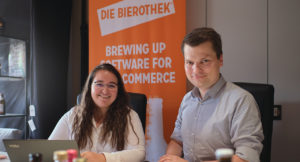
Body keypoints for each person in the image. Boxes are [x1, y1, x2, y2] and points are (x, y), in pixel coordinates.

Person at [159, 27, 264, 162]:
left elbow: (246, 158)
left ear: (220, 60)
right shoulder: (187, 100)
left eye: (204, 61)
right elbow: (177, 141)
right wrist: (170, 158)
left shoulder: (241, 101)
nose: (196, 70)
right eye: (190, 62)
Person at [49, 63, 145, 162]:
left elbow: (139, 153)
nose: (105, 91)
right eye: (99, 84)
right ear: (90, 86)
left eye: (111, 86)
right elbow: (50, 149)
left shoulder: (129, 115)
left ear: (118, 90)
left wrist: (103, 158)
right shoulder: (73, 114)